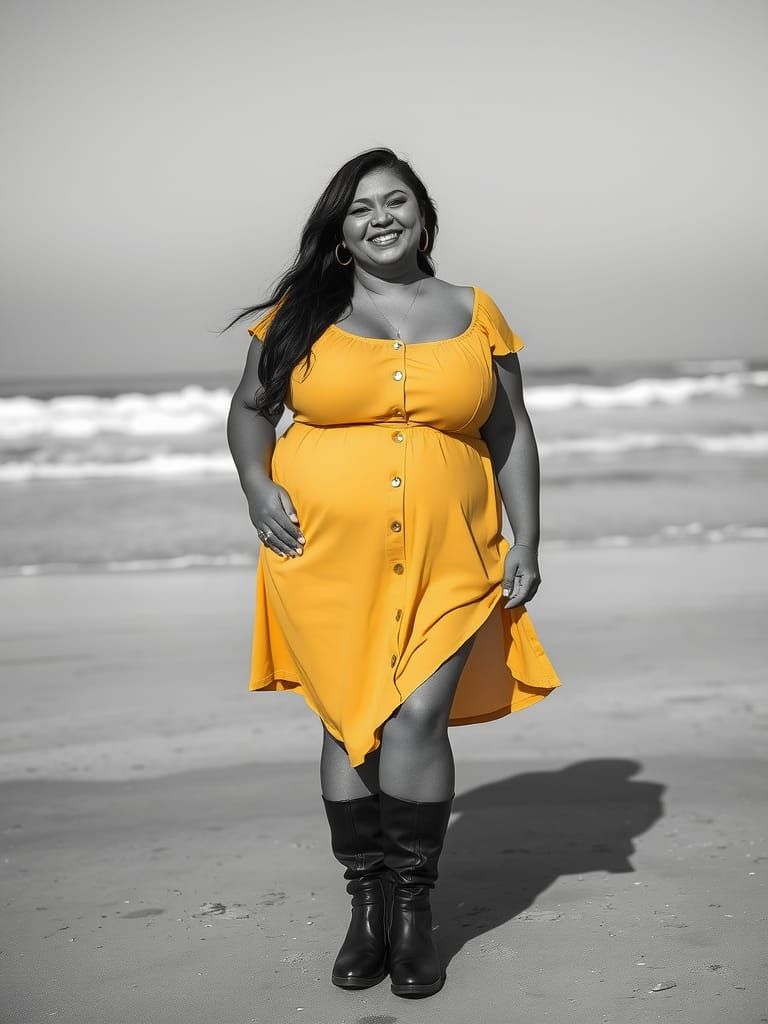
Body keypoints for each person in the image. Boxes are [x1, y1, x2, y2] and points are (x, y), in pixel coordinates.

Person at [225, 147, 562, 999]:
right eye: (361, 207)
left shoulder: (474, 309)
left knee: (418, 713)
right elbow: (249, 410)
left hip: (455, 548)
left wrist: (527, 537)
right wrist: (259, 485)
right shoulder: (303, 311)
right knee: (350, 720)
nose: (381, 217)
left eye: (396, 201)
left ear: (423, 213)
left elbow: (510, 431)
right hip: (324, 554)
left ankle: (413, 909)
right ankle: (365, 905)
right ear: (339, 230)